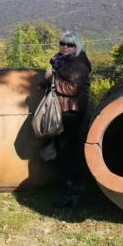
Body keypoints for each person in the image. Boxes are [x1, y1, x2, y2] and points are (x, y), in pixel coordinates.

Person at [40, 31, 92, 208]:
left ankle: (73, 191)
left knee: (67, 152)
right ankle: (69, 186)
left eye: (70, 45)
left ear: (77, 46)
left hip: (71, 112)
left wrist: (51, 78)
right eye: (62, 43)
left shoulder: (78, 63)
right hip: (64, 110)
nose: (65, 47)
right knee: (60, 150)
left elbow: (71, 89)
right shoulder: (64, 61)